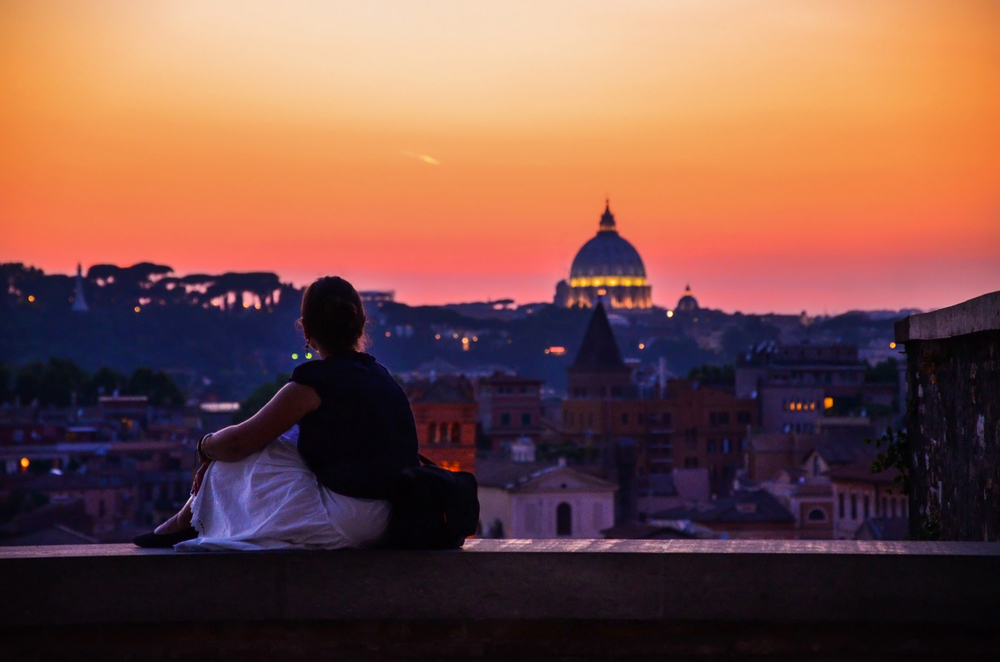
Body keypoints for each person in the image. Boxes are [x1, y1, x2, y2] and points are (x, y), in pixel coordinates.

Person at [133, 276, 419, 550]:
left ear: (306, 331)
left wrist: (204, 446)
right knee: (282, 439)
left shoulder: (313, 383)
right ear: (360, 325)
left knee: (243, 455)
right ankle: (187, 520)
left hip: (350, 519)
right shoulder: (382, 377)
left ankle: (187, 522)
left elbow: (238, 443)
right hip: (394, 516)